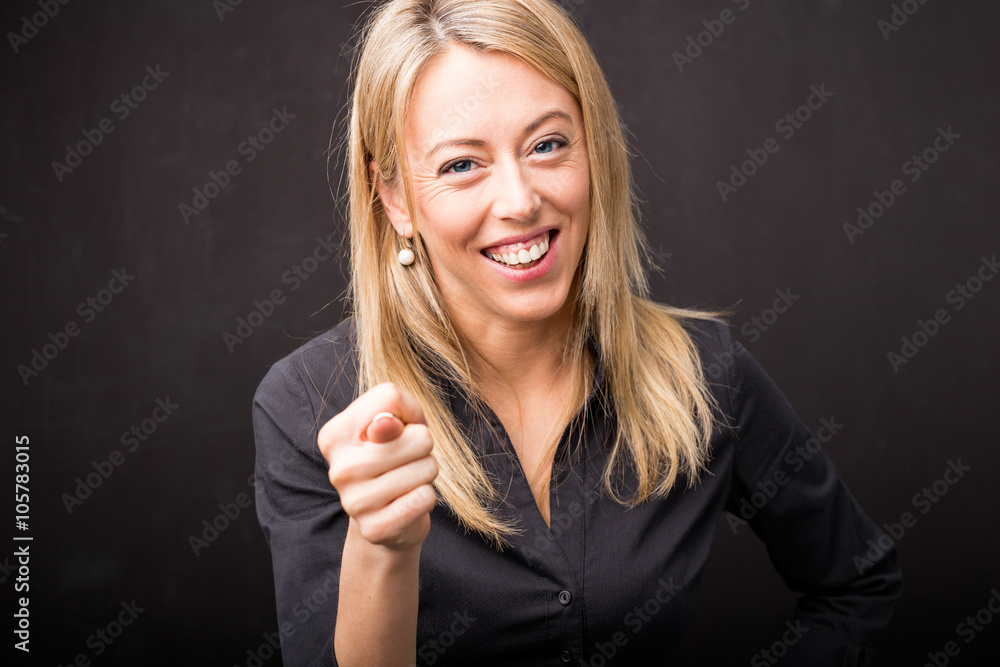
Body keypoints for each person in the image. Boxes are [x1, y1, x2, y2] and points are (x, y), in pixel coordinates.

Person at [252, 0, 903, 665]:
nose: (520, 201)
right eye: (461, 165)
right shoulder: (308, 405)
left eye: (548, 145)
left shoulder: (704, 373)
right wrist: (382, 547)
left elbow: (859, 584)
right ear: (394, 198)